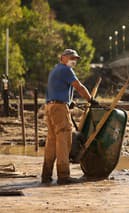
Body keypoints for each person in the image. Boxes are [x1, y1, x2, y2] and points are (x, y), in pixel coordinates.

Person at [41, 49, 98, 185]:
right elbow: (78, 86)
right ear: (63, 57)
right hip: (59, 109)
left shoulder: (55, 70)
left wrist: (69, 101)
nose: (74, 60)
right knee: (64, 141)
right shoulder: (66, 70)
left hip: (49, 108)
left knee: (52, 142)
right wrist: (91, 99)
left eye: (76, 58)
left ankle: (46, 175)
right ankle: (63, 176)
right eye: (72, 57)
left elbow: (56, 89)